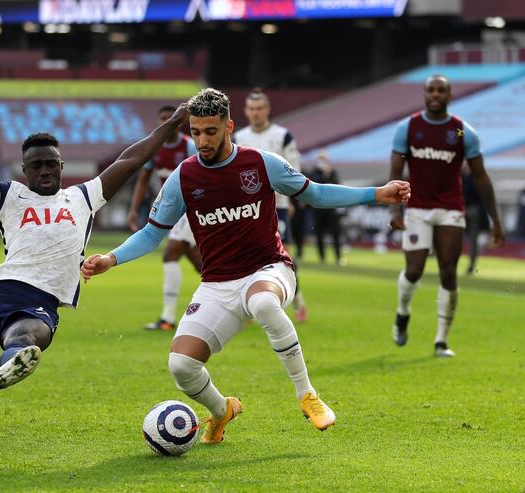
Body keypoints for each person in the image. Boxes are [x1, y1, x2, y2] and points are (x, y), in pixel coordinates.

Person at [82, 88, 411, 443]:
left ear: (228, 127)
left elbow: (314, 193)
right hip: (217, 284)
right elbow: (151, 234)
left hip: (270, 269)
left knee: (264, 303)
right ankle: (222, 410)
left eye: (210, 131)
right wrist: (110, 259)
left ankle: (307, 395)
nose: (201, 141)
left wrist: (376, 194)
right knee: (181, 367)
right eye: (195, 132)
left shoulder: (261, 163)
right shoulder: (184, 177)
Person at [0, 96, 189, 413]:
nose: (45, 170)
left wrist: (173, 122)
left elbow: (131, 159)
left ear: (61, 166)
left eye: (51, 163)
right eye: (37, 165)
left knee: (26, 336)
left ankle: (12, 363)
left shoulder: (83, 196)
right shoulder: (6, 195)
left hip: (41, 301)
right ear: (24, 169)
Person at [389, 74, 505, 357]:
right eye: (431, 90)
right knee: (414, 270)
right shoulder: (409, 128)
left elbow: (480, 176)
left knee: (448, 271)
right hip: (417, 208)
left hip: (451, 208)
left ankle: (441, 340)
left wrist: (496, 221)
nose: (436, 94)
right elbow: (395, 174)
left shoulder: (463, 132)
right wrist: (395, 209)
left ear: (450, 95)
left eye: (442, 90)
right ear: (425, 94)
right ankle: (403, 312)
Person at [233, 88, 308, 322]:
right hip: (248, 208)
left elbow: (294, 171)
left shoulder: (283, 136)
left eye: (259, 109)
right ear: (246, 111)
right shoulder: (239, 137)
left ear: (267, 110)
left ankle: (295, 296)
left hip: (279, 206)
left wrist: (293, 200)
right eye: (251, 109)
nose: (255, 113)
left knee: (281, 255)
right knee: (250, 254)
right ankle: (255, 302)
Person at [127, 105, 200, 331]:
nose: (168, 122)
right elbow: (142, 180)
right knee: (198, 260)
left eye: (172, 118)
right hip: (175, 210)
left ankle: (167, 318)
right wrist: (133, 210)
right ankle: (237, 290)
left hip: (193, 208)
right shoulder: (155, 149)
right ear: (158, 122)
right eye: (163, 118)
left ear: (180, 121)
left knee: (170, 253)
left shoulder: (189, 145)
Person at [308, 149, 344, 265]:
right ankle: (322, 257)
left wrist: (327, 175)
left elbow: (336, 186)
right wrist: (324, 175)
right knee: (319, 233)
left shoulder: (332, 172)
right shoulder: (314, 172)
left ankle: (338, 257)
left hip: (331, 207)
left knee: (335, 233)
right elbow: (314, 187)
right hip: (318, 208)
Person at [461, 164, 490, 275]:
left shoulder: (474, 177)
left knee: (473, 239)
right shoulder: (461, 176)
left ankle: (471, 265)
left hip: (472, 210)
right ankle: (451, 263)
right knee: (457, 237)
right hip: (462, 209)